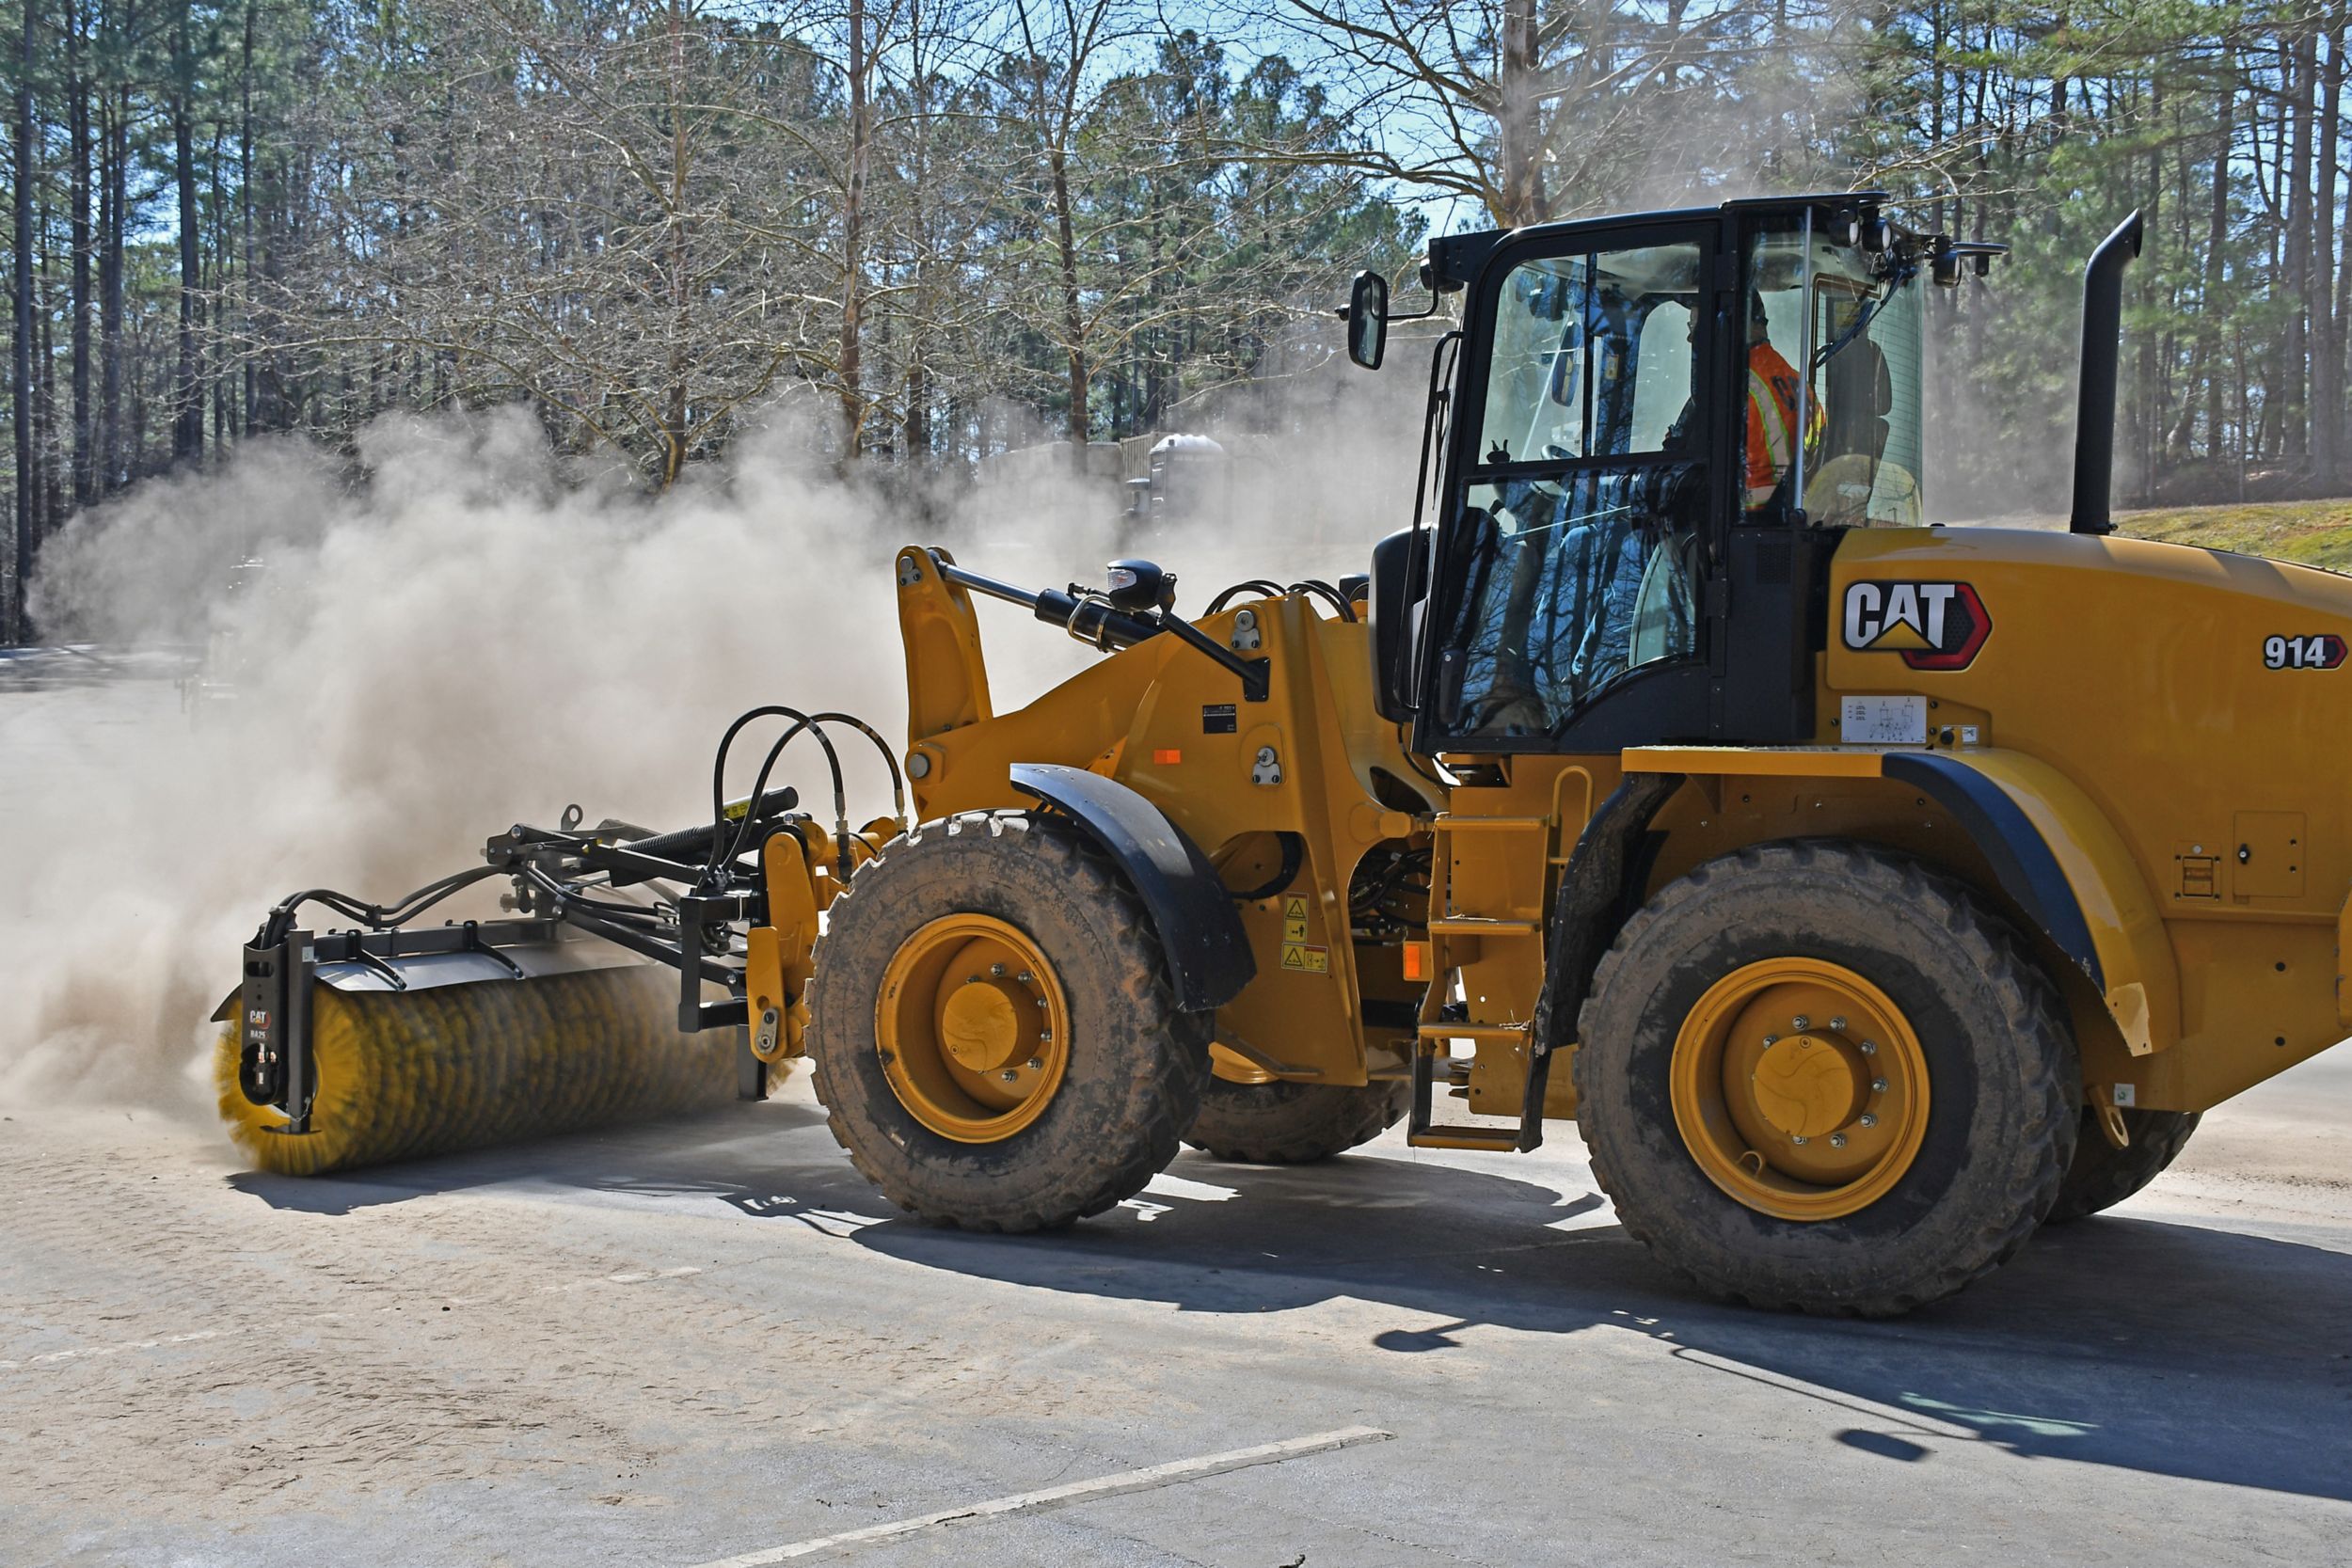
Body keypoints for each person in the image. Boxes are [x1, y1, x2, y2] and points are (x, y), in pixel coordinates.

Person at [1743, 291, 1821, 512]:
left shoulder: (1736, 387)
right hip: (1793, 518)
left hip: (1750, 519)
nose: (1691, 340)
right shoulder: (1804, 388)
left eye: (1696, 329)